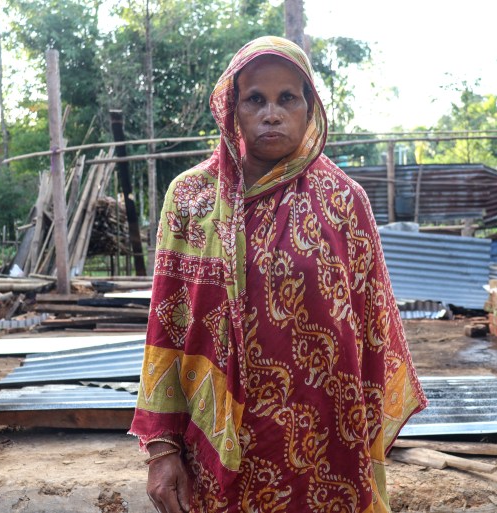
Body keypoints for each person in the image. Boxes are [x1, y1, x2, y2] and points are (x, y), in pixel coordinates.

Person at [130, 35, 427, 513]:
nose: (272, 113)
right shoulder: (192, 198)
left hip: (328, 444)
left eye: (287, 97)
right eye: (255, 99)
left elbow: (374, 331)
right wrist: (162, 449)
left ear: (309, 107)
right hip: (218, 441)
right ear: (233, 109)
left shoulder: (345, 200)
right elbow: (167, 328)